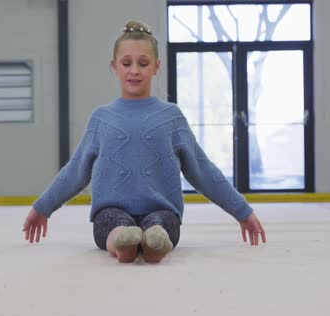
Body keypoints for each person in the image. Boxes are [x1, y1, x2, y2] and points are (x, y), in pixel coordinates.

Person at [22, 20, 266, 263]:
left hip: (162, 212)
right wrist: (43, 207)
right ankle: (122, 241)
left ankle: (154, 241)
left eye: (143, 63)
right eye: (127, 63)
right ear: (114, 66)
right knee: (112, 223)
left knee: (161, 223)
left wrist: (241, 210)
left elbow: (202, 169)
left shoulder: (171, 117)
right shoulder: (101, 118)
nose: (135, 70)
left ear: (157, 66)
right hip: (110, 212)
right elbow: (75, 171)